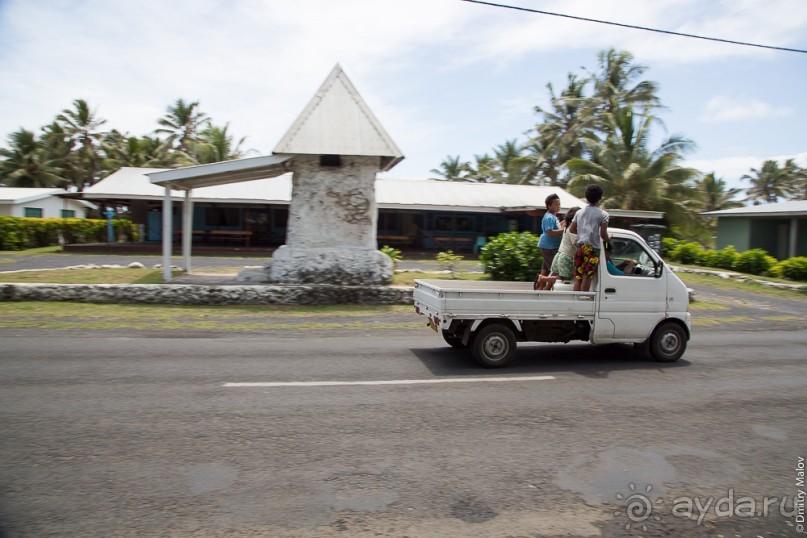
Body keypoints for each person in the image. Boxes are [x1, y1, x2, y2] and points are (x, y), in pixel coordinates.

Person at [569, 185, 609, 292]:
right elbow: (603, 234)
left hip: (580, 247)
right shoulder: (604, 214)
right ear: (600, 198)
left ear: (586, 197)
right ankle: (583, 299)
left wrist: (582, 234)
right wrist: (609, 240)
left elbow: (571, 230)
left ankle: (576, 300)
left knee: (578, 276)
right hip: (593, 249)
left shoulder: (579, 212)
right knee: (587, 276)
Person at [535, 206, 580, 290]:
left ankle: (543, 291)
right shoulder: (573, 229)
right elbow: (576, 243)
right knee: (564, 278)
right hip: (567, 257)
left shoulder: (567, 227)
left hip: (559, 255)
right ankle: (543, 278)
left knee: (551, 280)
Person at [536, 194, 565, 277]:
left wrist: (566, 221)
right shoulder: (549, 217)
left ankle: (541, 287)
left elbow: (557, 227)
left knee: (545, 271)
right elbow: (550, 232)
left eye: (559, 204)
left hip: (548, 247)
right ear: (549, 206)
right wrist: (564, 231)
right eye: (556, 204)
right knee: (555, 270)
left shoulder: (552, 216)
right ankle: (546, 284)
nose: (558, 206)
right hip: (550, 248)